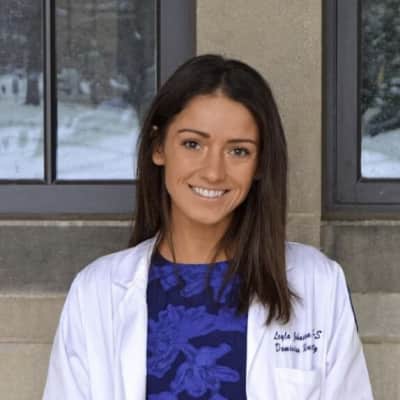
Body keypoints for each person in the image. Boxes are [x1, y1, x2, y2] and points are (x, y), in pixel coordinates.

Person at [43, 55, 374, 400]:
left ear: (260, 164)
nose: (214, 172)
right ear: (159, 147)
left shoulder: (318, 283)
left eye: (238, 151)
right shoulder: (96, 291)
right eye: (193, 144)